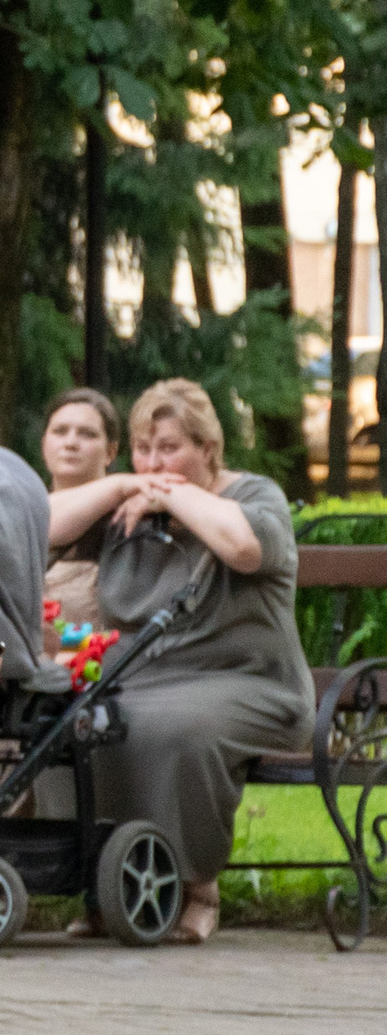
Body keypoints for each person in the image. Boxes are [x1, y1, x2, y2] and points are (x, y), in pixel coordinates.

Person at [43, 377, 313, 945]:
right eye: (143, 449)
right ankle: (107, 886)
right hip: (141, 681)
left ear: (207, 449)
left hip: (250, 683)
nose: (153, 463)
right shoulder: (130, 502)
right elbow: (37, 527)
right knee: (79, 723)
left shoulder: (253, 496)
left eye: (169, 448)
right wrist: (121, 484)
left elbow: (243, 548)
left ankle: (196, 889)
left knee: (175, 728)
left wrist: (170, 496)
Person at [40, 387, 121, 635]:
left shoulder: (127, 521)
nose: (71, 443)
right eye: (60, 431)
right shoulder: (20, 513)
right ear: (44, 444)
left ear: (110, 452)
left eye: (87, 434)